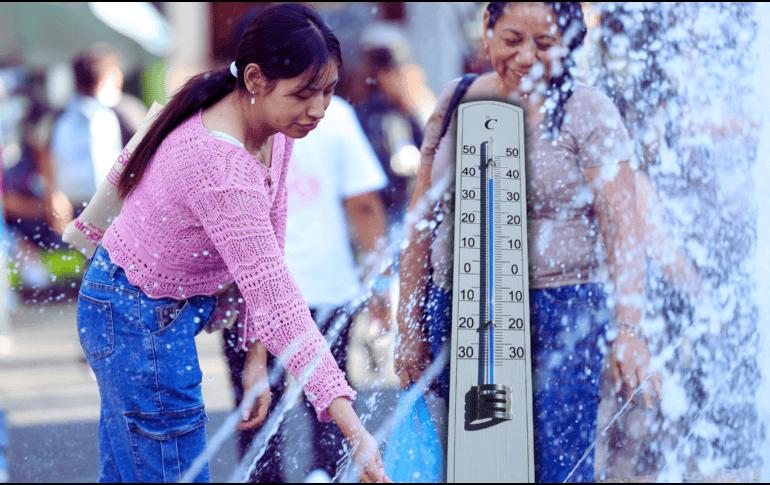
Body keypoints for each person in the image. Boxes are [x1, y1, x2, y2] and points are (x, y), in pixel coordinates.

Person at [70, 4, 390, 483]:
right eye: (304, 94)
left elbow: (270, 250)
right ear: (256, 79)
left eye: (328, 91)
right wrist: (355, 429)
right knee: (173, 471)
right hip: (132, 313)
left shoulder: (275, 128)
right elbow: (279, 300)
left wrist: (256, 361)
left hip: (146, 308)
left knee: (132, 472)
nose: (319, 110)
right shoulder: (220, 164)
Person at [394, 2, 660, 482]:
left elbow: (625, 231)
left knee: (557, 466)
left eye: (545, 44)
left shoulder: (587, 110)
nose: (525, 58)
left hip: (560, 312)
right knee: (478, 467)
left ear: (570, 43)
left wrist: (630, 330)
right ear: (488, 31)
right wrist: (408, 325)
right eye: (512, 40)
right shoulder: (456, 100)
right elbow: (420, 222)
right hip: (461, 312)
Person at [223, 94, 391, 482]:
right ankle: (325, 475)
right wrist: (380, 285)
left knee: (255, 414)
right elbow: (363, 202)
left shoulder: (227, 112)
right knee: (328, 407)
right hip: (324, 286)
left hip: (248, 292)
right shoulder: (333, 112)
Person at [50, 48, 123, 217]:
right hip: (107, 200)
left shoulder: (61, 115)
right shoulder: (111, 113)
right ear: (107, 78)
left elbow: (49, 153)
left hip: (71, 201)